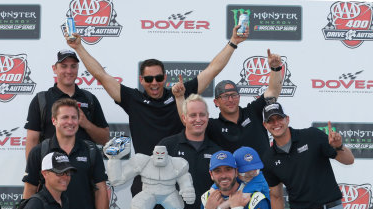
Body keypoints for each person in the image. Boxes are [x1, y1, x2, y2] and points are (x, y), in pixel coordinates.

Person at [65, 28, 247, 159]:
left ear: (165, 78)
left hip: (178, 170)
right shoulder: (132, 99)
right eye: (149, 79)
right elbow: (101, 75)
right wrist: (79, 47)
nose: (154, 83)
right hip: (145, 172)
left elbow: (212, 70)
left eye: (159, 78)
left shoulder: (179, 93)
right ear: (141, 79)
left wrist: (233, 43)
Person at [260, 103, 355, 209]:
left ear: (287, 119)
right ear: (265, 125)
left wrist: (339, 146)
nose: (276, 123)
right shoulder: (268, 158)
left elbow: (349, 160)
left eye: (279, 118)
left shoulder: (312, 136)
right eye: (271, 121)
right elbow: (276, 197)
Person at [23, 98, 108, 209]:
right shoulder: (40, 151)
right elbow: (30, 189)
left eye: (74, 117)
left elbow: (101, 190)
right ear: (54, 120)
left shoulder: (91, 150)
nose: (70, 122)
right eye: (65, 117)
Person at [154, 92, 222, 209]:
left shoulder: (217, 151)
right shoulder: (166, 146)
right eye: (193, 115)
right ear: (184, 118)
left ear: (207, 117)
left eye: (202, 114)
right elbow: (150, 185)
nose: (198, 119)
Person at [24, 49, 110, 159]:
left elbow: (105, 140)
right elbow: (32, 140)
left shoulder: (89, 99)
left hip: (84, 170)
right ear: (54, 69)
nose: (69, 71)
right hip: (52, 171)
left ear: (78, 68)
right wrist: (31, 172)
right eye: (64, 66)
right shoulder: (42, 100)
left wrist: (86, 124)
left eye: (73, 66)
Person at [196, 49, 283, 156]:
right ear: (216, 102)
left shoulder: (253, 111)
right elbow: (186, 121)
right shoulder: (212, 126)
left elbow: (273, 91)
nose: (231, 100)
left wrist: (275, 68)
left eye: (233, 95)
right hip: (232, 173)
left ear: (239, 97)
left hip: (264, 172)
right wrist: (179, 97)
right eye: (225, 96)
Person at [104, 143, 196, 209]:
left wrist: (187, 189)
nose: (160, 156)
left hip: (169, 194)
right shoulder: (143, 162)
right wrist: (114, 159)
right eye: (158, 153)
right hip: (149, 193)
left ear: (167, 154)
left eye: (162, 153)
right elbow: (117, 180)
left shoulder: (177, 164)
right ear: (153, 153)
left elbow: (184, 177)